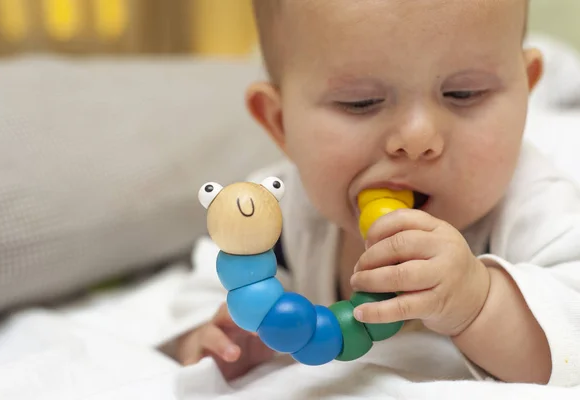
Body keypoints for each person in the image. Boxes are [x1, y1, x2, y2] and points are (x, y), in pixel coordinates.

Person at [172, 0, 580, 387]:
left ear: (525, 95)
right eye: (361, 102)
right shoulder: (277, 212)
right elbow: (212, 284)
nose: (418, 137)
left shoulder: (533, 203)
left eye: (464, 94)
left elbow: (572, 339)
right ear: (281, 125)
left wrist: (478, 301)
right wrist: (213, 336)